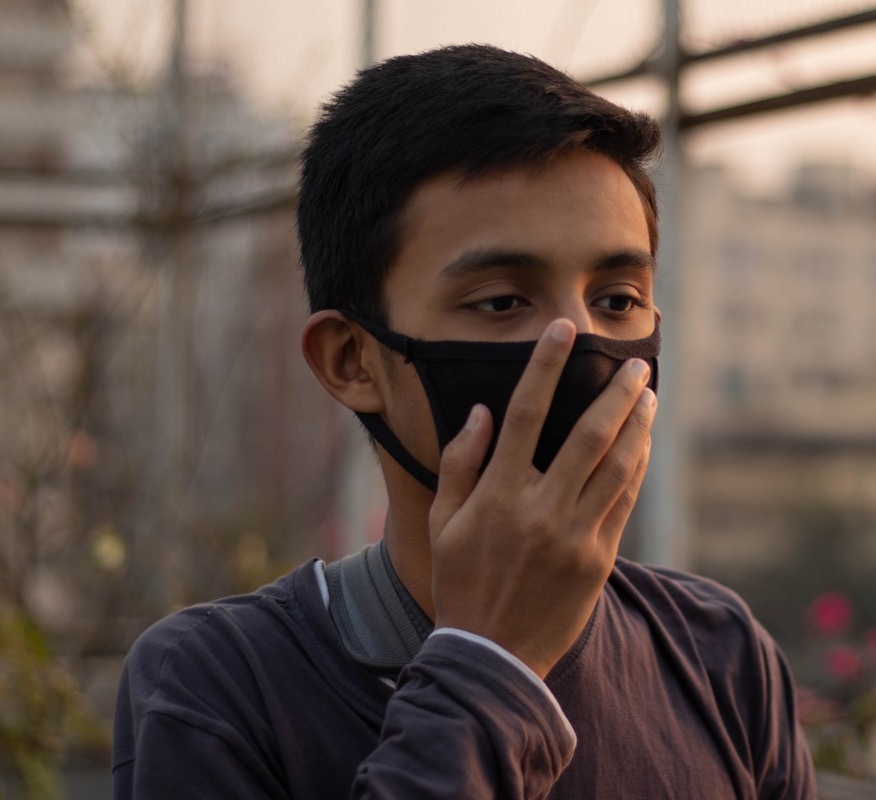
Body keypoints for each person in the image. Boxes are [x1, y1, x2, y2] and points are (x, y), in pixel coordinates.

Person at [112, 44, 816, 799]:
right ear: (352, 360)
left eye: (617, 299)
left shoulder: (717, 654)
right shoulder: (217, 687)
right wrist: (490, 663)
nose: (575, 342)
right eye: (502, 302)